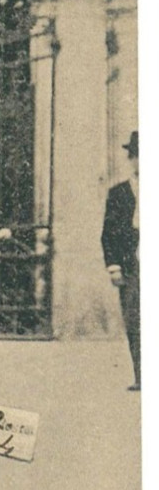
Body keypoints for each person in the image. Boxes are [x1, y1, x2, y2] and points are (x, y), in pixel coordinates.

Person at [102, 130, 140, 391]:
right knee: (136, 319)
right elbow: (108, 234)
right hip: (133, 266)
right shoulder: (120, 193)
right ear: (132, 159)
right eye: (138, 156)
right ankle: (142, 375)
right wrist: (114, 267)